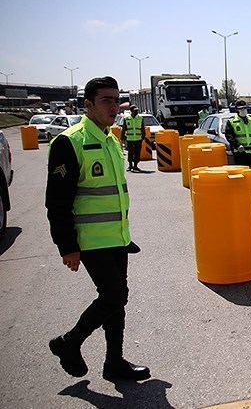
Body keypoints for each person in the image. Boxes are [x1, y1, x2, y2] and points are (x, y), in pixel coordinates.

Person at [46, 76, 150, 381]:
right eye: (106, 100)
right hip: (90, 240)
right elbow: (57, 201)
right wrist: (67, 245)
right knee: (114, 296)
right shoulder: (70, 142)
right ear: (88, 104)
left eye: (116, 100)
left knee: (117, 299)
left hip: (117, 238)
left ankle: (114, 362)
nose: (114, 106)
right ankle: (69, 343)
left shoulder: (110, 139)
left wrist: (124, 235)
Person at [225, 99, 251, 168]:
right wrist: (237, 146)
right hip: (240, 153)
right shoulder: (232, 121)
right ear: (237, 110)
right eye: (241, 109)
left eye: (244, 108)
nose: (243, 110)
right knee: (242, 172)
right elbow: (229, 136)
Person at [120, 105, 146, 172]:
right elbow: (124, 128)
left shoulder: (140, 118)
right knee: (130, 152)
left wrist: (143, 136)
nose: (136, 112)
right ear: (131, 111)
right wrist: (122, 137)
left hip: (138, 138)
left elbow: (142, 128)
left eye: (137, 111)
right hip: (130, 139)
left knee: (137, 152)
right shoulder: (127, 118)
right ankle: (130, 165)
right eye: (135, 111)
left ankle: (135, 166)